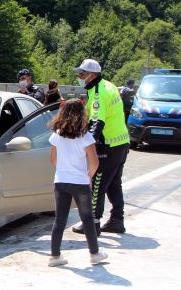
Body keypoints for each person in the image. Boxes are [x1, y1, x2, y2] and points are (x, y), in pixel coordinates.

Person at [71, 59, 130, 236]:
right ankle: (117, 221)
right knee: (114, 184)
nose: (79, 78)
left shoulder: (97, 93)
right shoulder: (109, 85)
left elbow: (97, 123)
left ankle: (93, 224)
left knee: (97, 184)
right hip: (121, 142)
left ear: (92, 75)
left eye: (82, 74)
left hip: (108, 145)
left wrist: (86, 145)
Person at [48, 98, 108, 267]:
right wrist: (87, 177)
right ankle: (94, 254)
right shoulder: (86, 136)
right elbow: (95, 162)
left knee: (59, 220)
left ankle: (54, 256)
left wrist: (63, 171)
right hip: (80, 183)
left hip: (61, 181)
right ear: (82, 114)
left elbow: (53, 159)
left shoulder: (56, 135)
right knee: (87, 218)